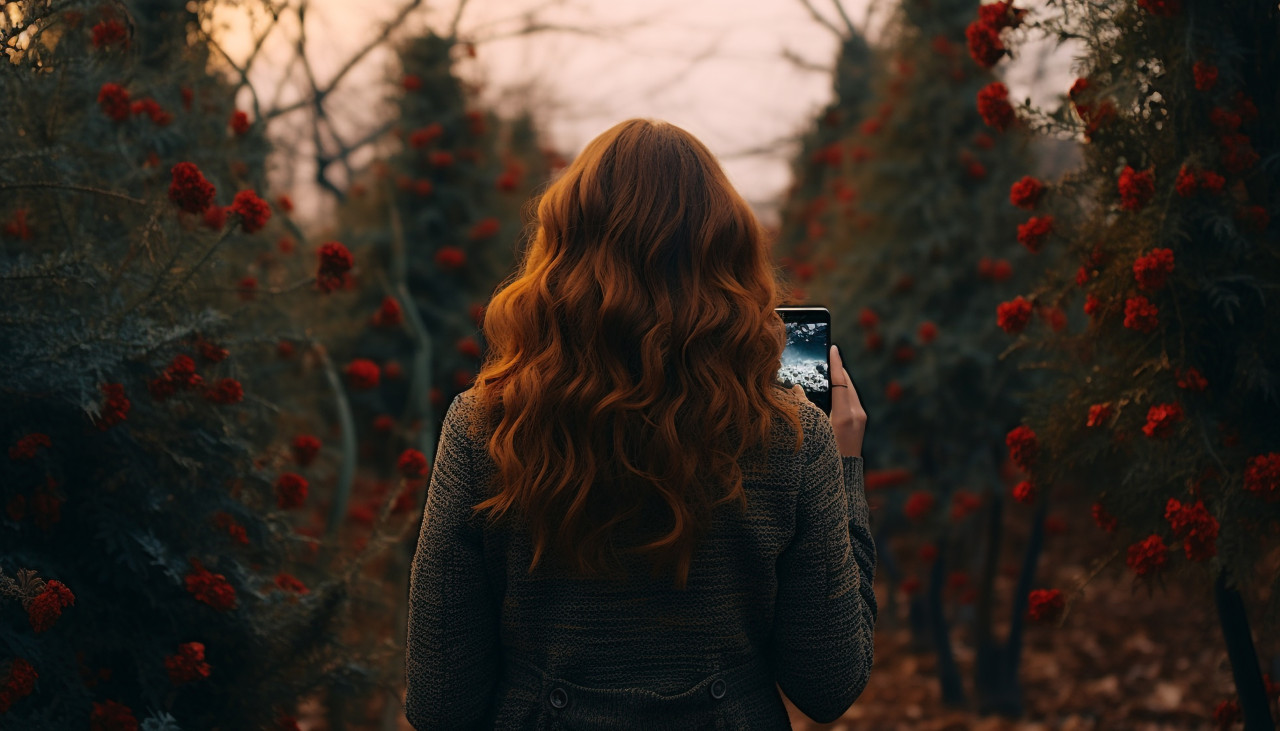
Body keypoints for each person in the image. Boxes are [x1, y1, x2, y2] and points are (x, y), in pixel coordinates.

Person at [405, 118, 875, 730]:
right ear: (727, 255)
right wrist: (843, 472)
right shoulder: (793, 439)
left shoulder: (484, 426)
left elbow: (440, 701)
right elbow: (830, 683)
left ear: (562, 250)